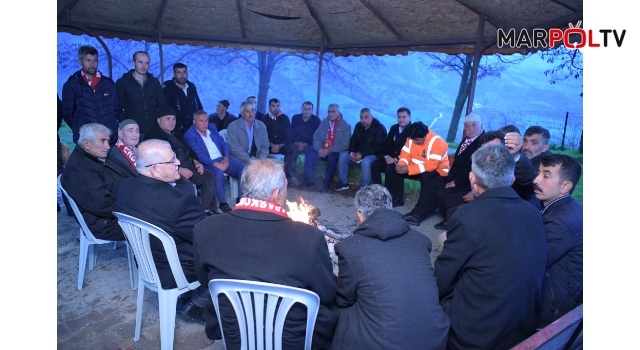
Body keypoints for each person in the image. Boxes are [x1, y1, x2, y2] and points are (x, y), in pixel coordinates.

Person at [193, 158, 338, 349]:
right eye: (285, 189)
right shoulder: (309, 238)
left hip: (234, 334)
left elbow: (205, 281)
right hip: (293, 340)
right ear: (277, 193)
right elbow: (327, 294)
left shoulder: (205, 229)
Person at [434, 144, 547, 350]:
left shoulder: (468, 216)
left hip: (477, 332)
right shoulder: (532, 212)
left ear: (472, 179)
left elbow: (442, 279)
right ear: (511, 180)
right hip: (521, 324)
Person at [331, 185, 449, 350]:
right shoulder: (420, 240)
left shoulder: (350, 248)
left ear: (359, 214)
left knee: (340, 313)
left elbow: (344, 299)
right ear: (390, 207)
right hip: (435, 338)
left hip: (386, 344)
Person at [117, 139, 210, 324]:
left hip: (147, 263)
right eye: (172, 161)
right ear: (154, 170)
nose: (178, 163)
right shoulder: (180, 200)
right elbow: (206, 238)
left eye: (175, 157)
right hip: (176, 270)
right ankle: (197, 303)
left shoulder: (124, 186)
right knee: (229, 250)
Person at [533, 154, 583, 328]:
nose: (536, 180)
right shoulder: (564, 206)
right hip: (563, 296)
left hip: (552, 308)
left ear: (565, 186)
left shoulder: (560, 222)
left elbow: (530, 262)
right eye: (538, 173)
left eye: (546, 176)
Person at [145, 105, 220, 216]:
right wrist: (179, 170)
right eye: (168, 119)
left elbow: (188, 149)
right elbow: (159, 161)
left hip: (189, 168)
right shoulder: (153, 136)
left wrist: (196, 162)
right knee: (187, 187)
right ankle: (190, 215)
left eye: (173, 119)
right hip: (171, 173)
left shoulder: (176, 132)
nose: (171, 122)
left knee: (209, 175)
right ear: (158, 120)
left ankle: (207, 210)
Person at [60, 123, 125, 241]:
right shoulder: (80, 169)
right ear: (86, 144)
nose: (108, 146)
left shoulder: (88, 158)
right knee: (157, 222)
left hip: (107, 216)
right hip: (103, 224)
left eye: (107, 141)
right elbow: (102, 205)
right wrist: (132, 207)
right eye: (102, 141)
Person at [386, 122, 450, 226]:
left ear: (425, 135)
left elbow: (431, 165)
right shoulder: (412, 137)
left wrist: (409, 169)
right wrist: (401, 165)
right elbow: (405, 154)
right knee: (392, 168)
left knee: (426, 176)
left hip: (437, 172)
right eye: (413, 139)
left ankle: (418, 213)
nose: (414, 142)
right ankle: (397, 198)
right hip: (416, 168)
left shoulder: (438, 142)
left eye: (417, 140)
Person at [184, 110, 245, 212]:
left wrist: (226, 158)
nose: (205, 123)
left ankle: (240, 199)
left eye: (206, 120)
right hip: (206, 163)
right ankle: (223, 203)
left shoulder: (212, 128)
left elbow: (223, 144)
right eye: (201, 121)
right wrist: (215, 164)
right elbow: (199, 155)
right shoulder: (190, 135)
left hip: (222, 159)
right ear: (194, 122)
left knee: (243, 168)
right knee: (218, 173)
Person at [433, 113, 484, 229]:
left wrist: (455, 182)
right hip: (456, 177)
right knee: (434, 182)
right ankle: (432, 209)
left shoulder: (482, 143)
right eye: (466, 126)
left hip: (468, 182)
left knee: (444, 195)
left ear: (481, 126)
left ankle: (450, 221)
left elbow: (474, 170)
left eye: (474, 125)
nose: (470, 128)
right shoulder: (467, 140)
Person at [62, 45, 120, 145]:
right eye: (88, 60)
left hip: (109, 138)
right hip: (87, 139)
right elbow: (68, 113)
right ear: (80, 61)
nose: (92, 64)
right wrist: (81, 129)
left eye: (95, 61)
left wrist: (110, 126)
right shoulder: (71, 85)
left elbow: (116, 109)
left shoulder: (108, 83)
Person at [116, 51, 168, 140]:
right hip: (133, 131)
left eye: (146, 63)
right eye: (140, 62)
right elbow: (119, 108)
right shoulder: (123, 83)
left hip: (154, 129)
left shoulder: (154, 82)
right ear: (133, 63)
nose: (143, 66)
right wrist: (126, 126)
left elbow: (162, 105)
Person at [302, 103, 352, 193]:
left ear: (338, 113)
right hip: (322, 150)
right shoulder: (324, 123)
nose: (331, 114)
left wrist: (328, 151)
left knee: (332, 157)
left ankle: (326, 183)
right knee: (309, 151)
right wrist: (319, 149)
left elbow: (345, 144)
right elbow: (316, 137)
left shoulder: (346, 126)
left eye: (333, 111)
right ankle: (310, 179)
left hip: (335, 151)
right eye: (329, 111)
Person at [335, 108, 387, 191]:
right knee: (343, 156)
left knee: (366, 161)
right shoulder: (359, 126)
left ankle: (364, 186)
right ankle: (343, 182)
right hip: (360, 153)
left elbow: (378, 148)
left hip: (374, 155)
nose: (363, 120)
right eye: (361, 117)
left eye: (366, 117)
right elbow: (353, 140)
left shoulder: (380, 128)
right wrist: (352, 153)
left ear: (372, 117)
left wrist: (362, 155)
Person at [370, 107, 412, 190]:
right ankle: (377, 190)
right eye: (399, 117)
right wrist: (386, 157)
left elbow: (410, 150)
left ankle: (388, 192)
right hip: (390, 157)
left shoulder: (412, 131)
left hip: (403, 161)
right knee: (375, 165)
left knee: (390, 168)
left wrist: (396, 159)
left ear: (410, 118)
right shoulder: (394, 128)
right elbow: (387, 144)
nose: (401, 119)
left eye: (404, 117)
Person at [162, 63, 204, 137]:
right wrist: (179, 125)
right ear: (174, 74)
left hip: (195, 129)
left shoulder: (192, 88)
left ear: (187, 74)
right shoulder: (168, 90)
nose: (182, 75)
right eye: (179, 72)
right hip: (178, 131)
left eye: (184, 72)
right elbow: (167, 111)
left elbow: (199, 107)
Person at [288, 101, 321, 183]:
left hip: (310, 144)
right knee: (291, 151)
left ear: (312, 110)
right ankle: (290, 175)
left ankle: (307, 177)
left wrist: (306, 144)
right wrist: (296, 142)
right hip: (296, 143)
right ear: (302, 109)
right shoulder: (296, 118)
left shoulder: (316, 121)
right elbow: (291, 133)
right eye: (305, 109)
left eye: (309, 109)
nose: (307, 111)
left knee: (310, 153)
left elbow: (317, 136)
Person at [262, 98, 294, 177]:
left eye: (278, 106)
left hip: (282, 145)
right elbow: (262, 136)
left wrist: (279, 146)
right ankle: (265, 175)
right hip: (269, 145)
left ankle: (287, 176)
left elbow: (289, 136)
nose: (276, 108)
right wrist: (271, 145)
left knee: (289, 150)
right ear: (269, 107)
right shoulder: (264, 119)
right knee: (261, 151)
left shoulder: (285, 118)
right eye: (273, 106)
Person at [104, 119, 140, 184]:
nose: (135, 134)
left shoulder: (143, 148)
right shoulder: (113, 154)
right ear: (120, 134)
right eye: (130, 131)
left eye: (137, 131)